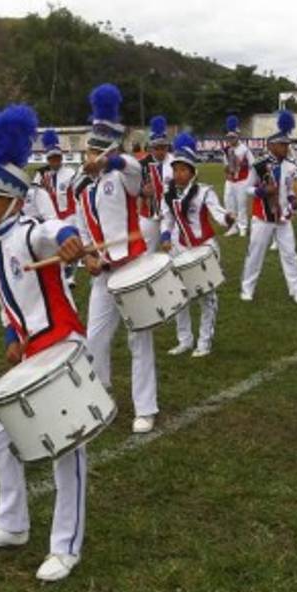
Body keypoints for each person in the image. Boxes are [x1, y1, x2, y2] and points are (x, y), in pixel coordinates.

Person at [0, 104, 90, 582]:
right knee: (2, 436)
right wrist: (12, 335)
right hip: (33, 349)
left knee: (66, 446)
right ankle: (12, 525)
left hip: (61, 344)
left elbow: (53, 232)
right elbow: (6, 302)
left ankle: (66, 546)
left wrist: (72, 236)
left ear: (13, 200)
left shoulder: (28, 232)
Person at [74, 84, 160, 434]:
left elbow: (133, 169)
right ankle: (101, 397)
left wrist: (111, 158)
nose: (88, 156)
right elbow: (81, 231)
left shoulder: (123, 175)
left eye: (95, 151)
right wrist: (87, 258)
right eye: (88, 150)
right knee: (94, 339)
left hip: (132, 265)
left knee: (139, 337)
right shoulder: (81, 187)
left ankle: (146, 407)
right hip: (101, 274)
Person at [160, 132, 235, 357]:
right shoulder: (169, 193)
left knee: (206, 298)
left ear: (193, 172)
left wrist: (228, 219)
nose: (178, 173)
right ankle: (184, 340)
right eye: (175, 169)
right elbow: (167, 218)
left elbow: (218, 213)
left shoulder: (204, 192)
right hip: (180, 248)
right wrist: (165, 235)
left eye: (183, 169)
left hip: (204, 248)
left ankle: (204, 342)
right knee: (179, 298)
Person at [240, 110, 297, 304]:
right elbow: (247, 189)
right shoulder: (259, 165)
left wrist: (293, 200)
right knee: (255, 255)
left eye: (287, 145)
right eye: (282, 145)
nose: (286, 148)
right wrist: (261, 192)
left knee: (290, 255)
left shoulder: (291, 166)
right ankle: (247, 289)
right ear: (271, 145)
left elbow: (289, 189)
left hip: (283, 218)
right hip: (262, 217)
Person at [138, 116, 174, 251]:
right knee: (146, 252)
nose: (160, 151)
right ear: (151, 147)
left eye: (163, 148)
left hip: (170, 214)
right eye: (157, 148)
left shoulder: (174, 163)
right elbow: (131, 189)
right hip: (149, 215)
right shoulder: (141, 165)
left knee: (174, 250)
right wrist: (142, 191)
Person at [33, 128, 77, 220]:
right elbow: (34, 196)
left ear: (61, 157)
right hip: (48, 217)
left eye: (57, 157)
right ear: (48, 159)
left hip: (69, 217)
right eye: (52, 158)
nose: (55, 161)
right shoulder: (40, 174)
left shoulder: (71, 173)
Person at [222, 115, 253, 236]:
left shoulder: (245, 150)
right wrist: (227, 172)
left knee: (241, 204)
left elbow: (252, 165)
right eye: (228, 138)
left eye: (233, 137)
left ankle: (243, 227)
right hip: (230, 181)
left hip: (242, 181)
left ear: (237, 137)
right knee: (228, 203)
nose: (230, 140)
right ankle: (233, 226)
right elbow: (225, 165)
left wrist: (249, 179)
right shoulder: (226, 150)